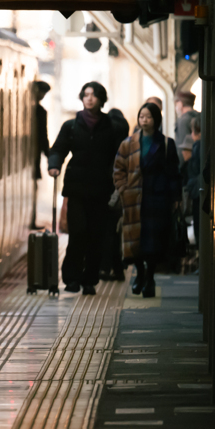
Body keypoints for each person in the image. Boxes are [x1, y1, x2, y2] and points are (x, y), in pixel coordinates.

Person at [47, 82, 122, 295]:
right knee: (78, 232)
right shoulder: (71, 126)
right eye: (86, 95)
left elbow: (118, 156)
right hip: (77, 189)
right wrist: (54, 165)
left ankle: (90, 279)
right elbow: (58, 148)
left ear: (101, 99)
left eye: (94, 95)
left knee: (96, 235)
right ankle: (71, 278)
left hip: (101, 190)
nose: (89, 99)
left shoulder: (111, 127)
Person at [113, 103, 182, 298]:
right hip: (133, 198)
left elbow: (173, 173)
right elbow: (119, 168)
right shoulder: (128, 143)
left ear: (156, 120)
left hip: (157, 198)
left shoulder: (166, 143)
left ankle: (149, 277)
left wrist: (176, 197)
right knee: (135, 239)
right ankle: (139, 273)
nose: (144, 120)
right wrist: (123, 189)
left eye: (148, 117)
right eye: (141, 116)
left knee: (153, 241)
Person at [100, 108, 131, 282]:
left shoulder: (105, 142)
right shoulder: (126, 145)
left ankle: (104, 267)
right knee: (116, 231)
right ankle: (119, 269)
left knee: (105, 231)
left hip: (104, 190)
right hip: (120, 192)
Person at [30, 81, 51, 229]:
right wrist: (49, 154)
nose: (42, 96)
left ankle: (32, 219)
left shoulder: (35, 110)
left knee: (34, 184)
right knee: (34, 185)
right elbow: (43, 136)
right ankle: (32, 220)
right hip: (35, 153)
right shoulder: (40, 111)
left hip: (34, 154)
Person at [185, 117, 203, 252]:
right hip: (201, 189)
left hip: (198, 191)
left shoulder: (197, 146)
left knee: (199, 225)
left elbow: (195, 170)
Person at [174, 90, 199, 156]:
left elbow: (183, 147)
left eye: (176, 104)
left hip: (187, 162)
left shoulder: (183, 121)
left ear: (180, 103)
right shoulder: (198, 116)